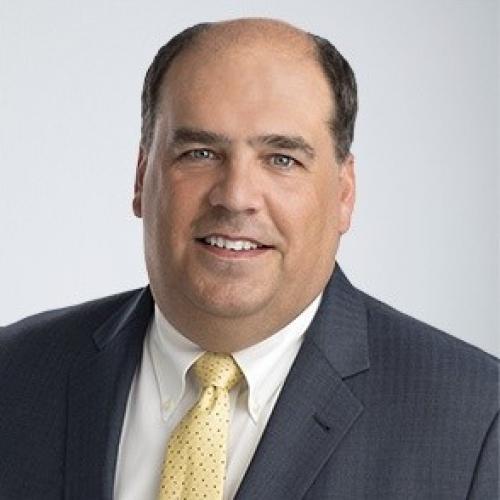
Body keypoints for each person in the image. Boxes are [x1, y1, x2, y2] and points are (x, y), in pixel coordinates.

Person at [0, 17, 498, 500]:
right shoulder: (14, 375)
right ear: (141, 176)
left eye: (282, 159)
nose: (235, 197)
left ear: (344, 193)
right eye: (199, 152)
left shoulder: (477, 423)